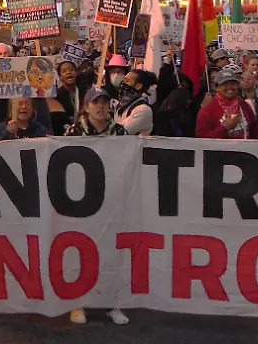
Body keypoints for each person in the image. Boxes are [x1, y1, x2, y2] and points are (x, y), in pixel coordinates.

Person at [64, 86, 128, 326]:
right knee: (81, 252)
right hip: (82, 202)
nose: (101, 107)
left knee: (112, 253)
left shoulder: (120, 132)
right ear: (87, 107)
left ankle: (113, 303)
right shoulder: (75, 132)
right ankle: (77, 303)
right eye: (95, 103)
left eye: (104, 102)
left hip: (112, 201)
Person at [196, 69, 258, 139]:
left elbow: (255, 130)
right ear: (217, 87)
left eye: (233, 83)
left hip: (245, 148)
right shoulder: (207, 111)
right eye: (225, 84)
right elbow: (201, 139)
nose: (230, 87)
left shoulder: (244, 105)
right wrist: (225, 127)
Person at [114, 69, 156, 135]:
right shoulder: (121, 106)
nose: (122, 84)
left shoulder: (143, 110)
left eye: (126, 81)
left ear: (138, 86)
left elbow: (119, 132)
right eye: (123, 80)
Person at [54, 60, 83, 134]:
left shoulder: (84, 92)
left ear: (76, 73)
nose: (68, 72)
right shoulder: (57, 95)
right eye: (64, 71)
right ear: (60, 77)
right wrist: (67, 119)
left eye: (71, 70)